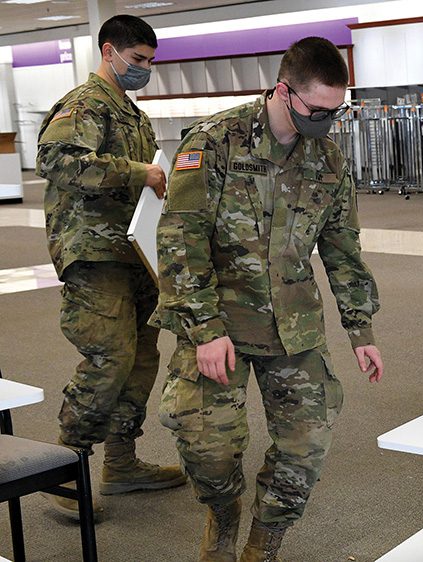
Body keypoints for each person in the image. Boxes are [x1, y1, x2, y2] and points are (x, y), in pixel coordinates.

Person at [152, 37, 383, 562]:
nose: (328, 121)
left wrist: (360, 329)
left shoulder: (327, 157)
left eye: (336, 110)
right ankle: (223, 514)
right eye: (317, 109)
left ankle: (266, 539)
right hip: (220, 325)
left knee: (306, 442)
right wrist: (206, 331)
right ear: (284, 90)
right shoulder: (213, 142)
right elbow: (180, 242)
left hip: (293, 328)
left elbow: (343, 249)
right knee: (203, 441)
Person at [36, 14, 185, 517]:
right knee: (109, 358)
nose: (144, 69)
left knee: (142, 360)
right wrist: (138, 171)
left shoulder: (129, 112)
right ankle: (64, 472)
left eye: (149, 62)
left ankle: (121, 463)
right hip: (95, 255)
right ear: (109, 51)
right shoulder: (83, 105)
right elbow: (56, 159)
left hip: (133, 254)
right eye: (138, 60)